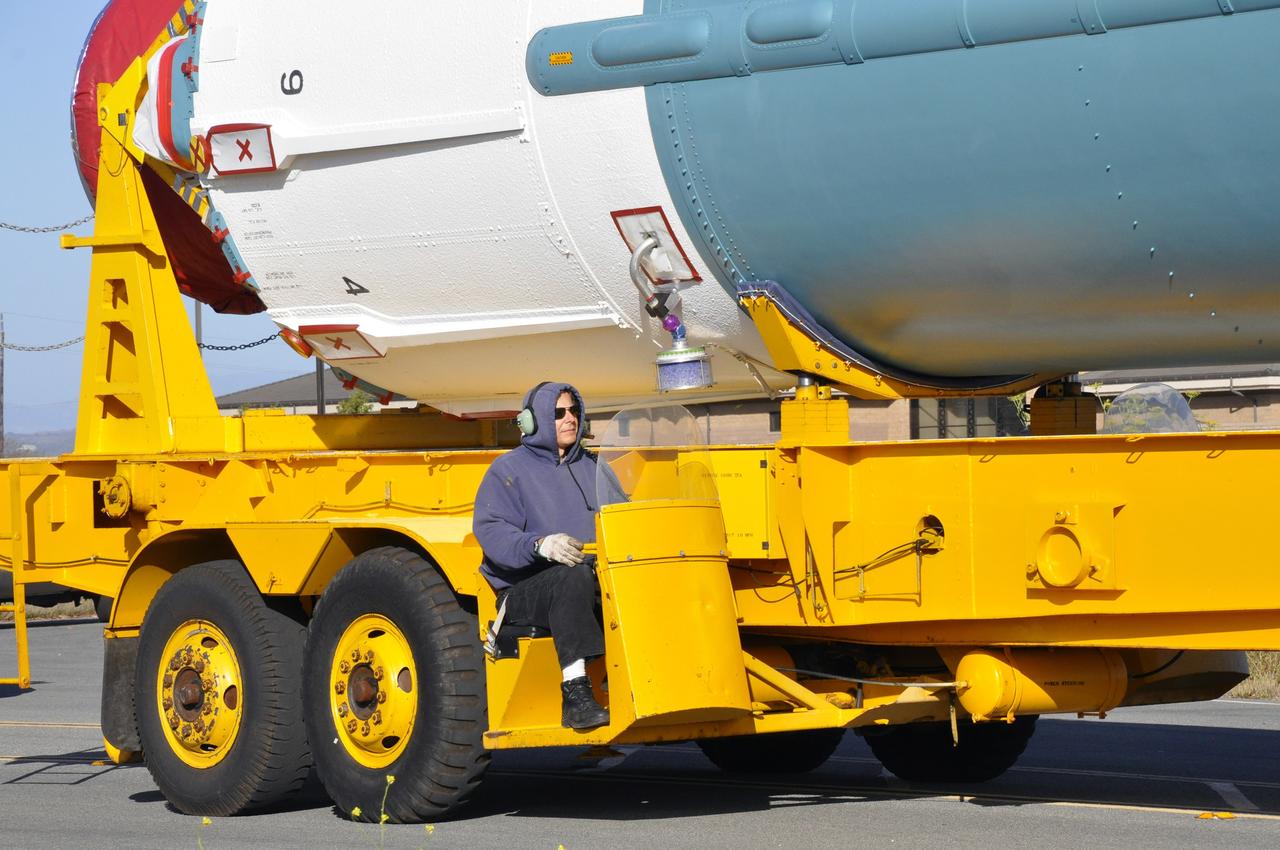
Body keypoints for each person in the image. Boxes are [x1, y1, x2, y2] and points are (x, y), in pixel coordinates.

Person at [473, 381, 610, 729]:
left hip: (591, 578)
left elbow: (622, 515)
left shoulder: (593, 468)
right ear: (531, 422)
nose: (570, 419)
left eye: (574, 411)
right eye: (559, 413)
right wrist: (539, 545)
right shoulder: (507, 470)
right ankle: (576, 694)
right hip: (523, 592)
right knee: (571, 574)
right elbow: (492, 532)